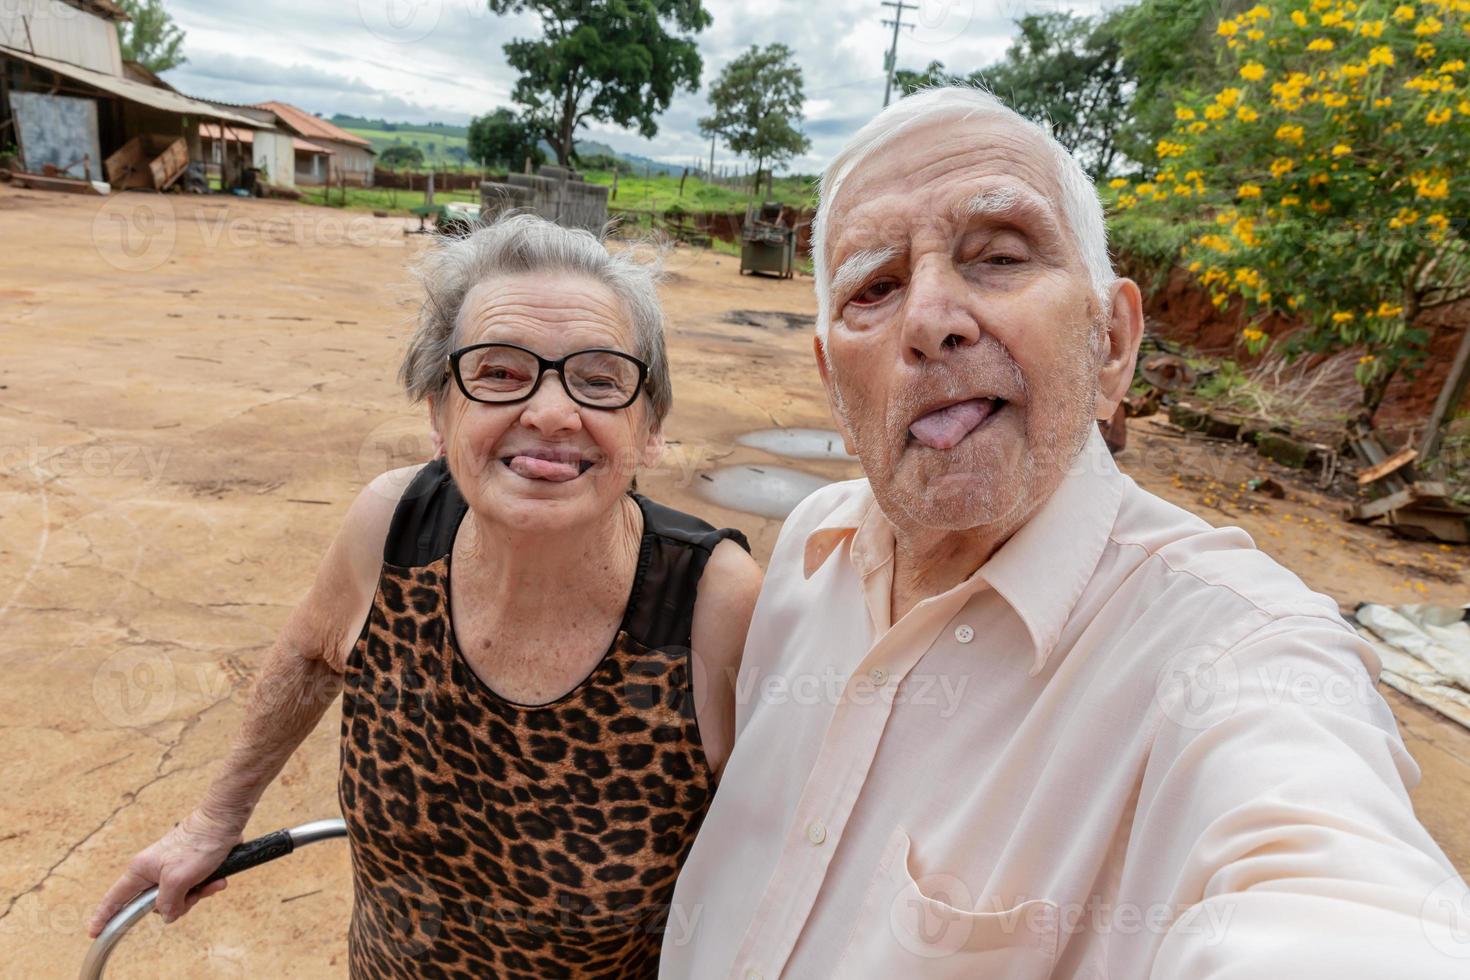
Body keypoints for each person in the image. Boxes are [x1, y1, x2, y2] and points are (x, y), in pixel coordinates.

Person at [660, 86, 1470, 979]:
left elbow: (1337, 897)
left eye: (1000, 256)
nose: (931, 320)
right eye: (875, 286)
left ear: (1112, 343)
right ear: (831, 381)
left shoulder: (1235, 660)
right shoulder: (812, 548)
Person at [88, 213, 763, 978]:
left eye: (599, 379)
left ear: (651, 427)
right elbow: (311, 655)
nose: (548, 412)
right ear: (440, 411)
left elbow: (782, 862)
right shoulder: (393, 527)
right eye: (500, 373)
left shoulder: (713, 604)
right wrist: (214, 819)